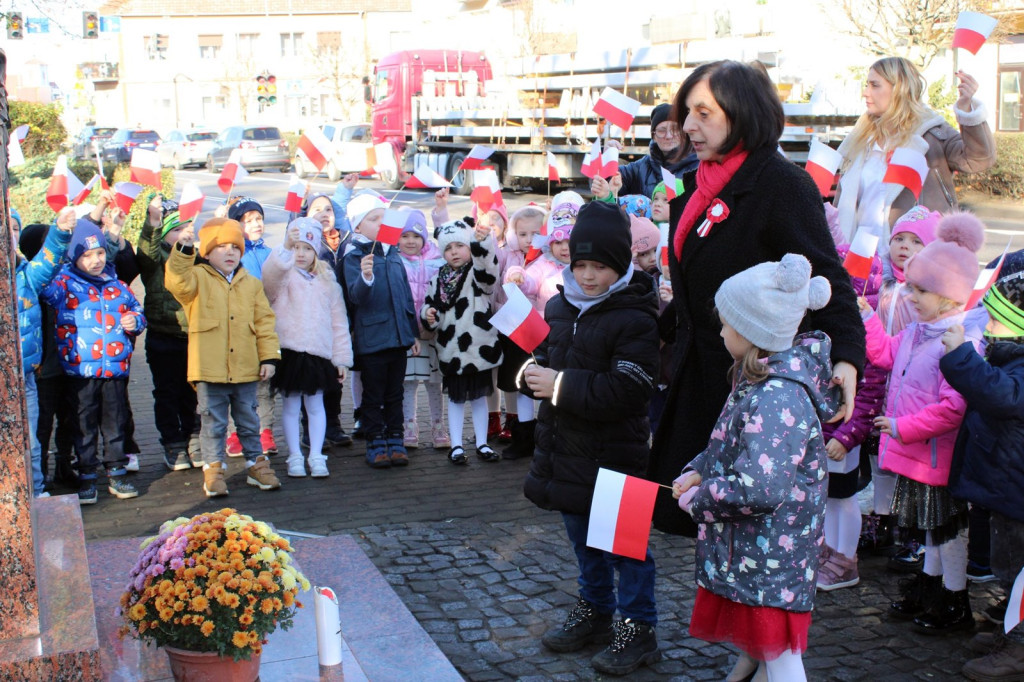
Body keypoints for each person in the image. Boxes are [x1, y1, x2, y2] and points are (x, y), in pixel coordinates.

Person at [648, 59, 865, 535]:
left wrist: (847, 354)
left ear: (742, 112)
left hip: (749, 384)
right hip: (698, 375)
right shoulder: (695, 189)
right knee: (692, 515)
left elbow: (825, 274)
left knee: (737, 526)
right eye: (688, 112)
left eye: (703, 113)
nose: (687, 126)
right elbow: (692, 292)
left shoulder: (781, 185)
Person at [673, 254, 839, 682]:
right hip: (759, 552)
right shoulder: (758, 380)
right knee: (768, 649)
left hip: (771, 554)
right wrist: (699, 470)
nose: (722, 329)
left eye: (728, 322)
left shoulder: (775, 394)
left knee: (782, 656)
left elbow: (760, 487)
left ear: (753, 331)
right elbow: (729, 447)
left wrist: (700, 500)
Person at [522, 201, 661, 676]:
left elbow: (630, 388)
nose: (586, 275)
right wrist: (528, 375)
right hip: (569, 454)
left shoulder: (637, 315)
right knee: (584, 545)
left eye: (598, 266)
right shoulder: (560, 305)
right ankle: (595, 611)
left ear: (619, 265)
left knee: (627, 549)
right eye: (579, 264)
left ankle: (638, 629)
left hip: (620, 457)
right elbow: (540, 356)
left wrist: (558, 385)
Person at [860, 212, 986, 633]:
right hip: (919, 454)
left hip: (938, 454)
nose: (910, 296)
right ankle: (931, 588)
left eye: (920, 290)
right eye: (912, 287)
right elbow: (884, 355)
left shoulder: (957, 341)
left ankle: (953, 599)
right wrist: (866, 319)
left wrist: (901, 426)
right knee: (933, 529)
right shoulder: (918, 330)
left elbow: (954, 409)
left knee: (948, 532)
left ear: (949, 297)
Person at [941, 271, 1024, 680]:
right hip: (1008, 486)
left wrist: (961, 356)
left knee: (1018, 568)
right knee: (1009, 564)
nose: (987, 326)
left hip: (1018, 489)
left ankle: (1020, 646)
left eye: (995, 319)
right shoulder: (1011, 353)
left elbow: (1001, 393)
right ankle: (1011, 628)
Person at [164, 217, 282, 497]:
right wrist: (182, 249)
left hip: (244, 368)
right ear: (206, 251)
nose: (230, 252)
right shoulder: (196, 278)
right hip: (209, 368)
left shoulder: (251, 284)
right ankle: (213, 469)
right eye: (221, 247)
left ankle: (256, 464)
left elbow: (264, 321)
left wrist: (268, 358)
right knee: (213, 422)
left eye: (235, 247)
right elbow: (177, 282)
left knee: (250, 421)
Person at [834, 57, 995, 248]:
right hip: (858, 260)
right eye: (867, 85)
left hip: (913, 261)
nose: (865, 92)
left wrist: (967, 109)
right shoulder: (860, 139)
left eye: (874, 85)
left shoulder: (930, 133)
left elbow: (978, 159)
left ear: (899, 89)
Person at [41, 219, 147, 504]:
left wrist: (134, 320)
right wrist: (58, 242)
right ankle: (87, 477)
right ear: (73, 257)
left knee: (114, 424)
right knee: (83, 426)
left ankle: (116, 471)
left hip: (114, 371)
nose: (96, 260)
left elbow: (138, 311)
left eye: (99, 252)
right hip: (80, 371)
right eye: (86, 255)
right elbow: (44, 289)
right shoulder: (64, 283)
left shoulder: (117, 285)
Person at [817, 241, 887, 591]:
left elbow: (868, 396)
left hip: (844, 436)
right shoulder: (830, 332)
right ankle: (829, 551)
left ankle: (846, 559)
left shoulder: (866, 342)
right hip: (825, 433)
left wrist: (847, 437)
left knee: (844, 498)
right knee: (828, 496)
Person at [261, 217, 353, 478]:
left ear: (316, 252)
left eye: (307, 248)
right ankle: (294, 456)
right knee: (290, 406)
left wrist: (341, 358)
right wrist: (285, 247)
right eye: (296, 247)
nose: (300, 254)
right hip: (290, 352)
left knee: (316, 406)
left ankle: (316, 455)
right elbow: (270, 279)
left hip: (318, 355)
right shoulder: (284, 277)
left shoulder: (328, 283)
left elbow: (339, 323)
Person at [341, 192, 419, 468]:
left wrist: (412, 332)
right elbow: (355, 297)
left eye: (383, 218)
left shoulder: (392, 252)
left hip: (398, 337)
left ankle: (395, 438)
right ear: (358, 226)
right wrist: (366, 276)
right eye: (373, 219)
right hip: (372, 338)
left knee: (394, 391)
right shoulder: (354, 257)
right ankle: (375, 439)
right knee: (373, 393)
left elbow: (404, 295)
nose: (380, 223)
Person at [421, 220, 503, 465]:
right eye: (448, 248)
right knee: (455, 399)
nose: (454, 251)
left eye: (460, 245)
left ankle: (482, 443)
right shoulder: (438, 278)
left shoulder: (475, 273)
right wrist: (428, 314)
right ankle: (456, 444)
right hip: (451, 349)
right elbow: (430, 303)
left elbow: (489, 274)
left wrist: (481, 242)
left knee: (479, 397)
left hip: (478, 348)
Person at [136, 196, 199, 471]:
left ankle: (194, 437)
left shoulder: (198, 257)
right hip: (163, 337)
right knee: (167, 392)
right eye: (175, 230)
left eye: (187, 229)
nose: (182, 235)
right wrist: (152, 219)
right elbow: (147, 249)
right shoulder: (155, 258)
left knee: (193, 393)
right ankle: (172, 443)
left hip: (194, 337)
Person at [15, 207, 73, 498]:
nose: (8, 235)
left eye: (13, 229)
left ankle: (37, 493)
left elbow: (48, 262)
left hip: (24, 376)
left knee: (33, 443)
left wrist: (60, 231)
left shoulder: (25, 275)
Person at [396, 208, 448, 450]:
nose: (410, 241)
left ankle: (438, 425)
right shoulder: (394, 261)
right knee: (409, 382)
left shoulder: (437, 260)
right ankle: (409, 425)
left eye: (416, 236)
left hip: (431, 332)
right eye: (405, 236)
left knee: (434, 382)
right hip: (407, 333)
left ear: (424, 239)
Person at [601, 102, 698, 199]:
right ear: (654, 136)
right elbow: (608, 183)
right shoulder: (640, 168)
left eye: (675, 129)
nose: (668, 136)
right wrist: (608, 159)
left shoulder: (699, 168)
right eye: (662, 130)